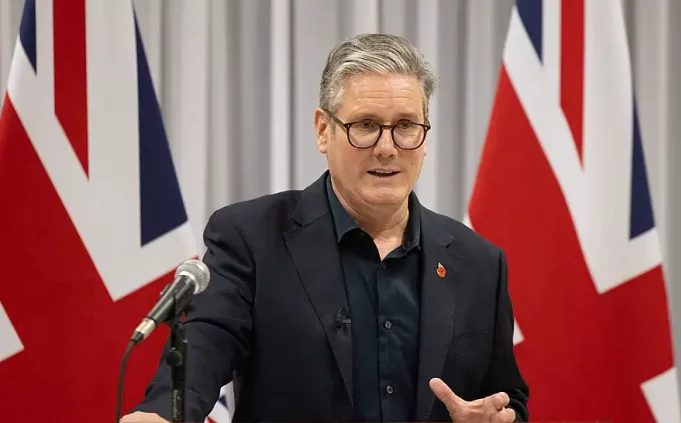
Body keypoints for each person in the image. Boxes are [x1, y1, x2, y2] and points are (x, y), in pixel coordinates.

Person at [121, 33, 529, 423]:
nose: (387, 148)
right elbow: (204, 347)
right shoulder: (251, 238)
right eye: (365, 125)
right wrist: (165, 413)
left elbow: (506, 399)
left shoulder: (479, 263)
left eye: (406, 125)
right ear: (323, 130)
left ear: (424, 136)